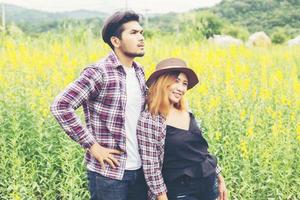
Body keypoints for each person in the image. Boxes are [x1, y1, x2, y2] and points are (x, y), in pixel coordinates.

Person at [50, 11, 148, 200]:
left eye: (141, 32)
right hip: (109, 174)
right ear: (116, 41)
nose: (141, 38)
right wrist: (92, 146)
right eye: (134, 33)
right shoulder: (99, 72)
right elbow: (61, 106)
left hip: (140, 170)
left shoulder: (139, 72)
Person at [137, 58, 228, 200]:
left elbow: (201, 151)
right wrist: (162, 198)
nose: (181, 88)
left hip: (209, 184)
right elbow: (151, 168)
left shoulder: (187, 111)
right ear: (162, 82)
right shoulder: (150, 119)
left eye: (185, 84)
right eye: (176, 81)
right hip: (180, 190)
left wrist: (220, 178)